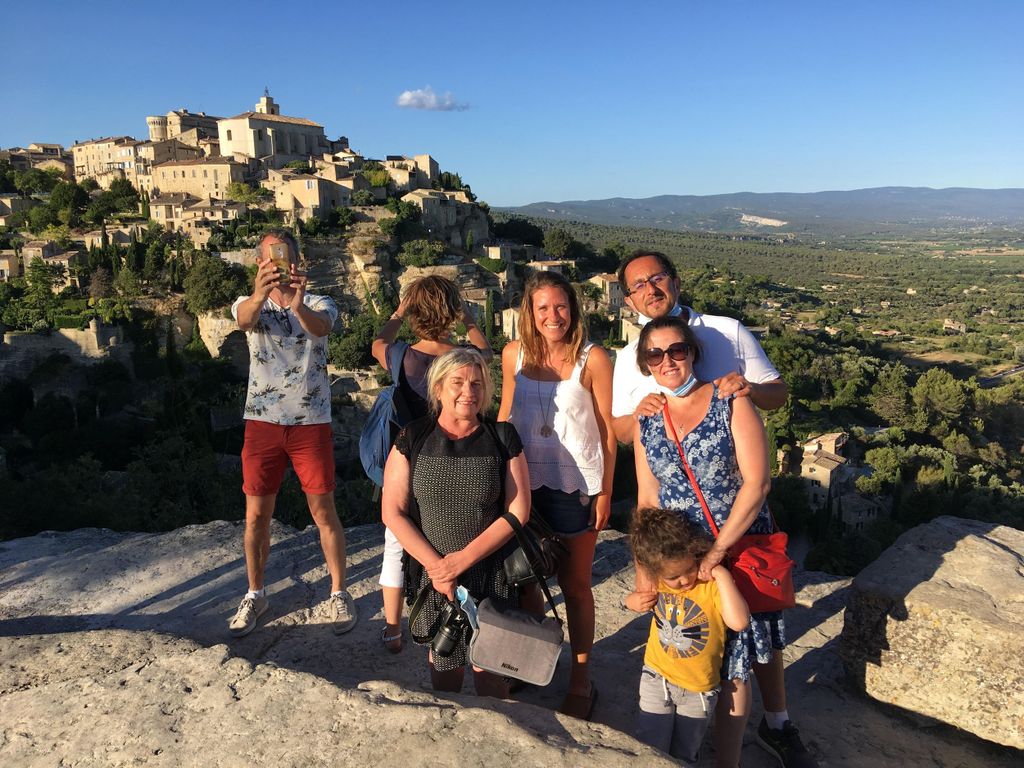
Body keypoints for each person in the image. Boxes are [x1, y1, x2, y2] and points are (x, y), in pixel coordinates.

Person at [633, 315, 814, 768]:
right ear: (646, 364)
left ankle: (728, 760)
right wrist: (648, 575)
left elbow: (757, 485)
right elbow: (647, 499)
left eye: (677, 350)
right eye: (655, 354)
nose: (668, 361)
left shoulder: (729, 400)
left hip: (733, 548)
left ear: (692, 352)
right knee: (693, 650)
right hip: (678, 559)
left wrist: (715, 554)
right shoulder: (648, 420)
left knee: (737, 662)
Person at [497, 270, 615, 720]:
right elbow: (506, 418)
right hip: (523, 483)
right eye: (542, 307)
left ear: (574, 308)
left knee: (576, 586)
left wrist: (603, 491)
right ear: (529, 311)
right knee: (526, 581)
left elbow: (606, 431)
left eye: (560, 306)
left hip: (574, 486)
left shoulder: (594, 359)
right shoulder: (514, 355)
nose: (553, 316)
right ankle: (529, 664)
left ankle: (581, 681)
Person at [227, 230, 357, 638]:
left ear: (297, 263)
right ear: (259, 264)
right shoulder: (250, 304)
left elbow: (321, 329)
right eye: (268, 259)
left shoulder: (320, 302)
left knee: (323, 511)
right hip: (262, 422)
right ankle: (255, 593)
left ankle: (338, 592)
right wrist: (259, 293)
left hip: (309, 423)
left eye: (282, 259)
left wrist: (297, 305)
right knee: (255, 517)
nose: (277, 266)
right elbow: (244, 319)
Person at [381, 347, 530, 696]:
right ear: (437, 388)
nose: (468, 391)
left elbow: (517, 511)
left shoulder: (502, 437)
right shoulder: (413, 437)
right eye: (458, 382)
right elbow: (392, 511)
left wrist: (460, 561)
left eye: (477, 383)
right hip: (435, 580)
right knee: (445, 675)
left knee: (491, 675)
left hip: (491, 575)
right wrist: (439, 569)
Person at [371, 275, 493, 653]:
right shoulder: (464, 358)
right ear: (451, 311)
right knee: (452, 540)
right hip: (457, 460)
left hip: (409, 455)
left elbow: (377, 343)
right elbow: (485, 350)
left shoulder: (402, 355)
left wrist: (398, 311)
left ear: (414, 314)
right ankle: (459, 621)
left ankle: (393, 628)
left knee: (396, 544)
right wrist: (469, 319)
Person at [611, 250, 788, 445]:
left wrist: (751, 389)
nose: (651, 290)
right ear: (630, 302)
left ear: (676, 284)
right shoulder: (628, 357)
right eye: (639, 285)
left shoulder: (728, 330)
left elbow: (778, 394)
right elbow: (621, 433)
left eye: (658, 278)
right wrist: (638, 416)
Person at [625, 507, 750, 766]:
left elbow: (739, 622)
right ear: (656, 572)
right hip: (657, 677)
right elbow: (633, 598)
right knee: (650, 746)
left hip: (699, 689)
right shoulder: (657, 580)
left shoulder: (710, 587)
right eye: (674, 577)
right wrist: (632, 601)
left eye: (689, 568)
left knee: (685, 753)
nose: (684, 580)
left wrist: (721, 574)